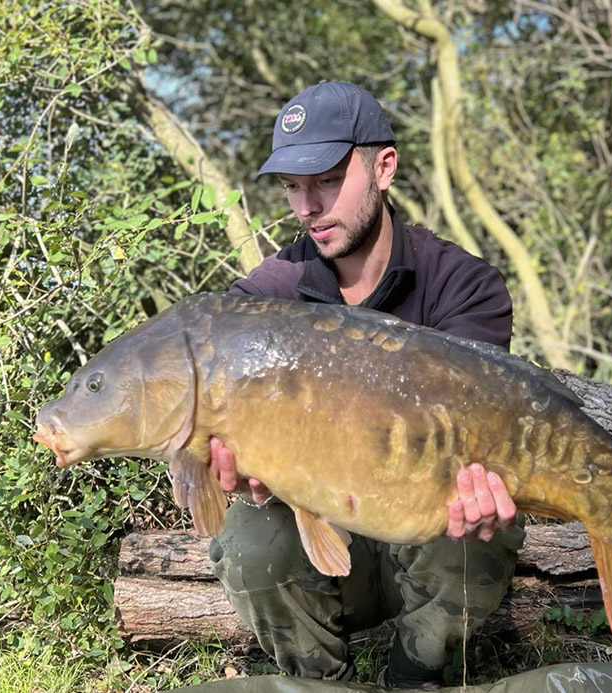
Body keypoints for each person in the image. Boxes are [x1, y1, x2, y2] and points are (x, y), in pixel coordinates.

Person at [206, 81, 524, 690]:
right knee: (248, 535)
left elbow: (480, 433)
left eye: (327, 180)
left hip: (425, 544)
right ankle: (321, 683)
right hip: (326, 553)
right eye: (292, 186)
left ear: (384, 168)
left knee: (475, 518)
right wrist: (244, 469)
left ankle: (416, 676)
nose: (307, 207)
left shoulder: (462, 286)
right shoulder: (263, 299)